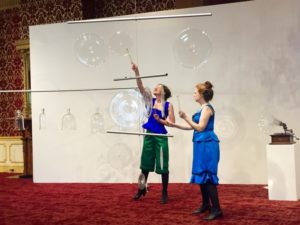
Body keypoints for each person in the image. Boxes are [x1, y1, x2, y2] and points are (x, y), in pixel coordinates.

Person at [169, 81, 223, 220]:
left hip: (207, 144)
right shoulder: (202, 109)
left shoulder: (207, 109)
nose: (193, 94)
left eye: (195, 92)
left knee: (208, 175)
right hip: (201, 143)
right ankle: (206, 204)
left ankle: (217, 209)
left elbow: (200, 127)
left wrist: (186, 117)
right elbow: (192, 127)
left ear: (201, 94)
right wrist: (174, 124)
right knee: (201, 174)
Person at [131, 62, 175, 204]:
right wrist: (137, 71)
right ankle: (141, 189)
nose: (155, 88)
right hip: (149, 135)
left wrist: (161, 120)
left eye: (158, 87)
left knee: (163, 165)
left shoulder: (168, 105)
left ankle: (164, 192)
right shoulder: (150, 101)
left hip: (161, 137)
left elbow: (172, 123)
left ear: (164, 92)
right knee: (145, 164)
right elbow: (141, 87)